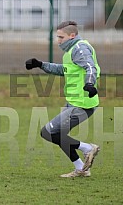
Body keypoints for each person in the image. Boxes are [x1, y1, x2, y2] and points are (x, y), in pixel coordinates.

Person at [25, 20, 100, 178]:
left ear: (72, 35)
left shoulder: (80, 48)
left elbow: (90, 67)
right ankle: (81, 169)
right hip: (74, 102)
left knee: (48, 132)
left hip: (82, 103)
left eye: (61, 37)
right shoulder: (71, 51)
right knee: (59, 135)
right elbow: (63, 70)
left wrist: (89, 83)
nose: (58, 40)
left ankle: (88, 148)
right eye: (57, 37)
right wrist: (40, 64)